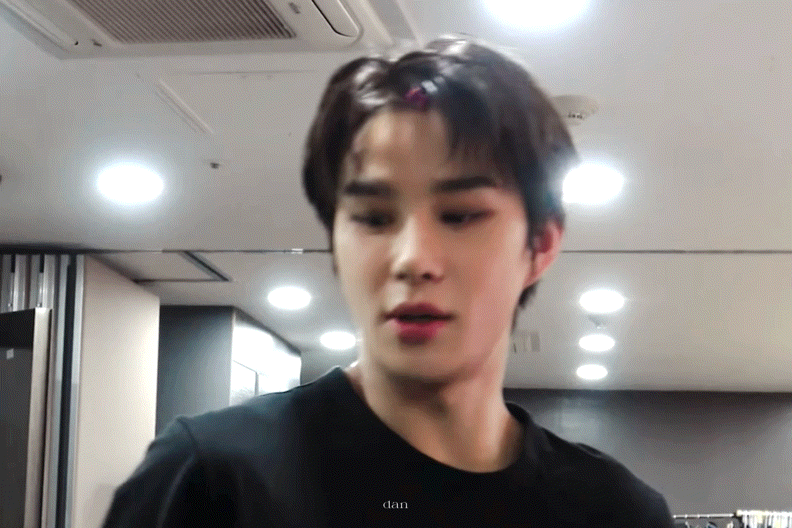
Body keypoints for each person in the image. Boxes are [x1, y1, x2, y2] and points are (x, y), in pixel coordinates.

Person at [101, 36, 675, 527]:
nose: (413, 259)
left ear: (541, 244)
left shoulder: (612, 512)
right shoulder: (211, 479)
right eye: (374, 218)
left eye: (460, 216)